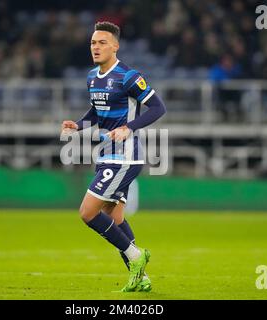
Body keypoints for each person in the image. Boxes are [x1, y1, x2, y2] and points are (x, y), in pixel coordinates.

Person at [61, 21, 166, 292]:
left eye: (102, 42)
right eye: (93, 43)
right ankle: (141, 279)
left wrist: (128, 128)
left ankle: (135, 256)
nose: (96, 47)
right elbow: (96, 111)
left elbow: (157, 107)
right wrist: (79, 124)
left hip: (125, 156)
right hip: (107, 155)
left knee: (87, 212)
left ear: (115, 46)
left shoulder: (129, 77)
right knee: (115, 218)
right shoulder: (92, 77)